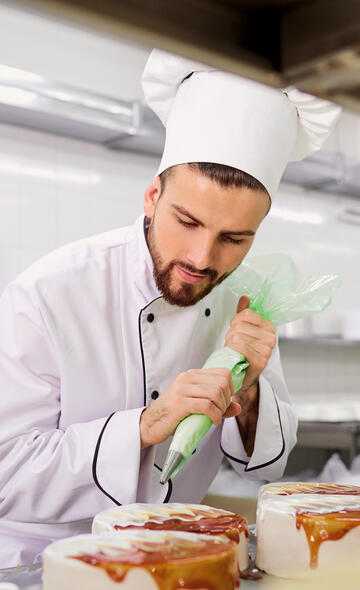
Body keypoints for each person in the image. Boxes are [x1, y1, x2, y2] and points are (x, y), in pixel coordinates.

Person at [0, 50, 340, 567]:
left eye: (234, 238)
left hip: (178, 562)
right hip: (40, 566)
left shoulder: (243, 300)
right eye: (187, 221)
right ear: (152, 195)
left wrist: (248, 395)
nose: (203, 259)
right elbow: (6, 472)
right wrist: (147, 423)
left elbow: (266, 466)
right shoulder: (50, 293)